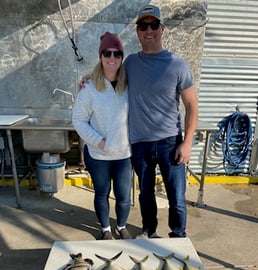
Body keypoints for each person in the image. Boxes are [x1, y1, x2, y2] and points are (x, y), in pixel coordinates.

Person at [80, 5, 198, 239]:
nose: (148, 30)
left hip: (169, 142)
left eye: (153, 25)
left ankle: (178, 236)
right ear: (137, 32)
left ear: (162, 28)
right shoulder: (131, 63)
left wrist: (186, 143)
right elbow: (108, 68)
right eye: (143, 26)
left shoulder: (178, 65)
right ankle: (150, 233)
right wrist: (86, 79)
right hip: (139, 144)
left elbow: (192, 105)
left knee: (176, 196)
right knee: (145, 194)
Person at [72, 32, 132, 240]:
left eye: (117, 54)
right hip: (99, 154)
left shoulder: (130, 83)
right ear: (101, 55)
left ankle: (121, 226)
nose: (112, 58)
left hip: (124, 153)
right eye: (107, 53)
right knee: (101, 193)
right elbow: (78, 120)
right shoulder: (89, 88)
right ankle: (106, 229)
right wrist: (100, 141)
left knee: (124, 196)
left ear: (122, 57)